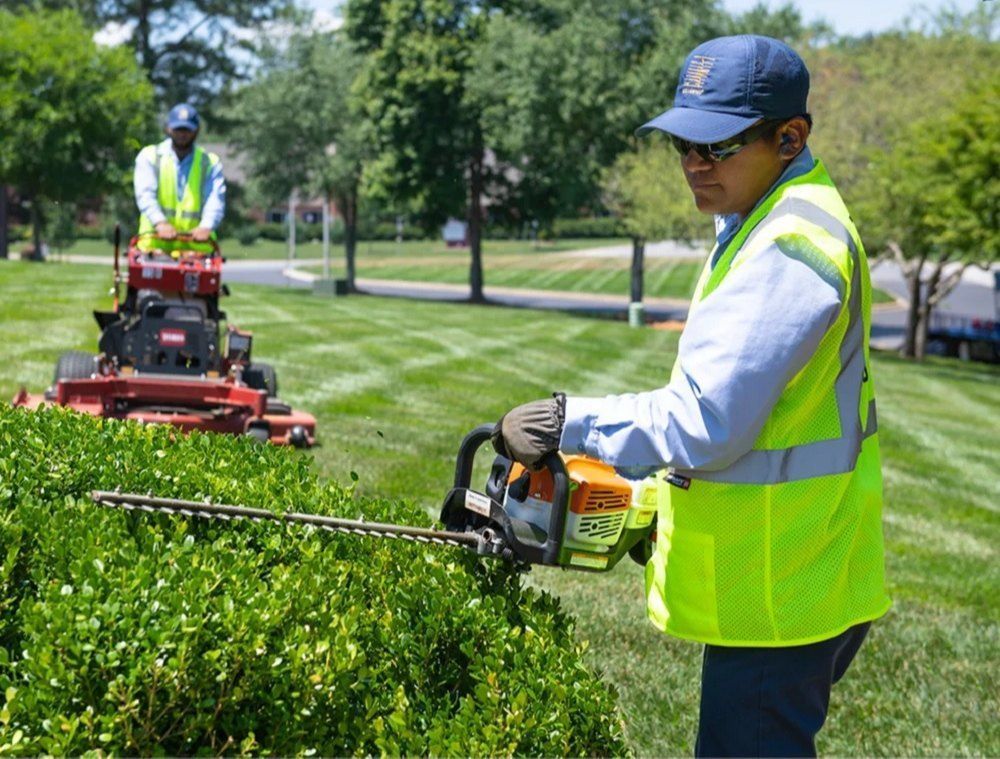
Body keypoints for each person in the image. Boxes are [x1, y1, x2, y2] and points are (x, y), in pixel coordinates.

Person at [491, 35, 890, 758]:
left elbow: (706, 421)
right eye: (683, 145)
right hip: (791, 573)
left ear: (789, 137)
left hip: (781, 592)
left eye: (717, 147)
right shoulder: (762, 219)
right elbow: (760, 422)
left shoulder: (792, 246)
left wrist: (566, 420)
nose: (693, 166)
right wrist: (650, 501)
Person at [134, 103, 226, 252]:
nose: (182, 134)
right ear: (168, 128)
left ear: (196, 130)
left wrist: (206, 226)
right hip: (154, 248)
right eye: (178, 129)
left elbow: (215, 199)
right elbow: (145, 195)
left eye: (187, 129)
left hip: (196, 251)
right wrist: (160, 222)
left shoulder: (209, 163)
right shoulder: (149, 157)